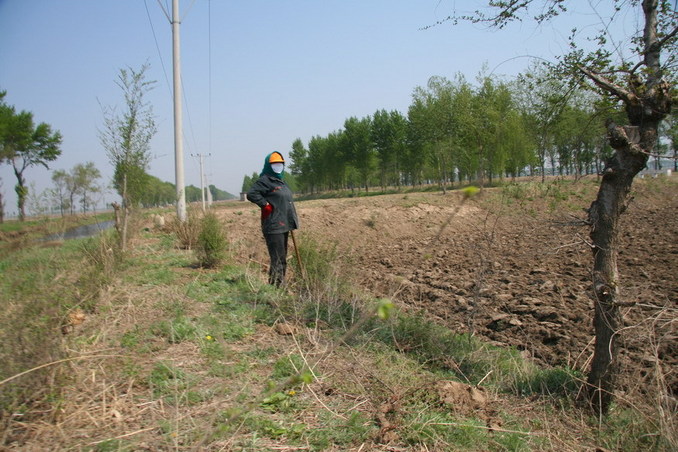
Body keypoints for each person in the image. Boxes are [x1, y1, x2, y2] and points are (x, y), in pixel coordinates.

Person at [246, 151, 299, 287]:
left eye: (280, 164)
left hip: (284, 224)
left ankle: (278, 284)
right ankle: (276, 286)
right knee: (277, 258)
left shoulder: (281, 180)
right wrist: (265, 204)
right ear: (269, 165)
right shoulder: (265, 180)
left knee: (282, 258)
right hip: (274, 225)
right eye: (274, 164)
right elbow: (251, 194)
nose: (278, 166)